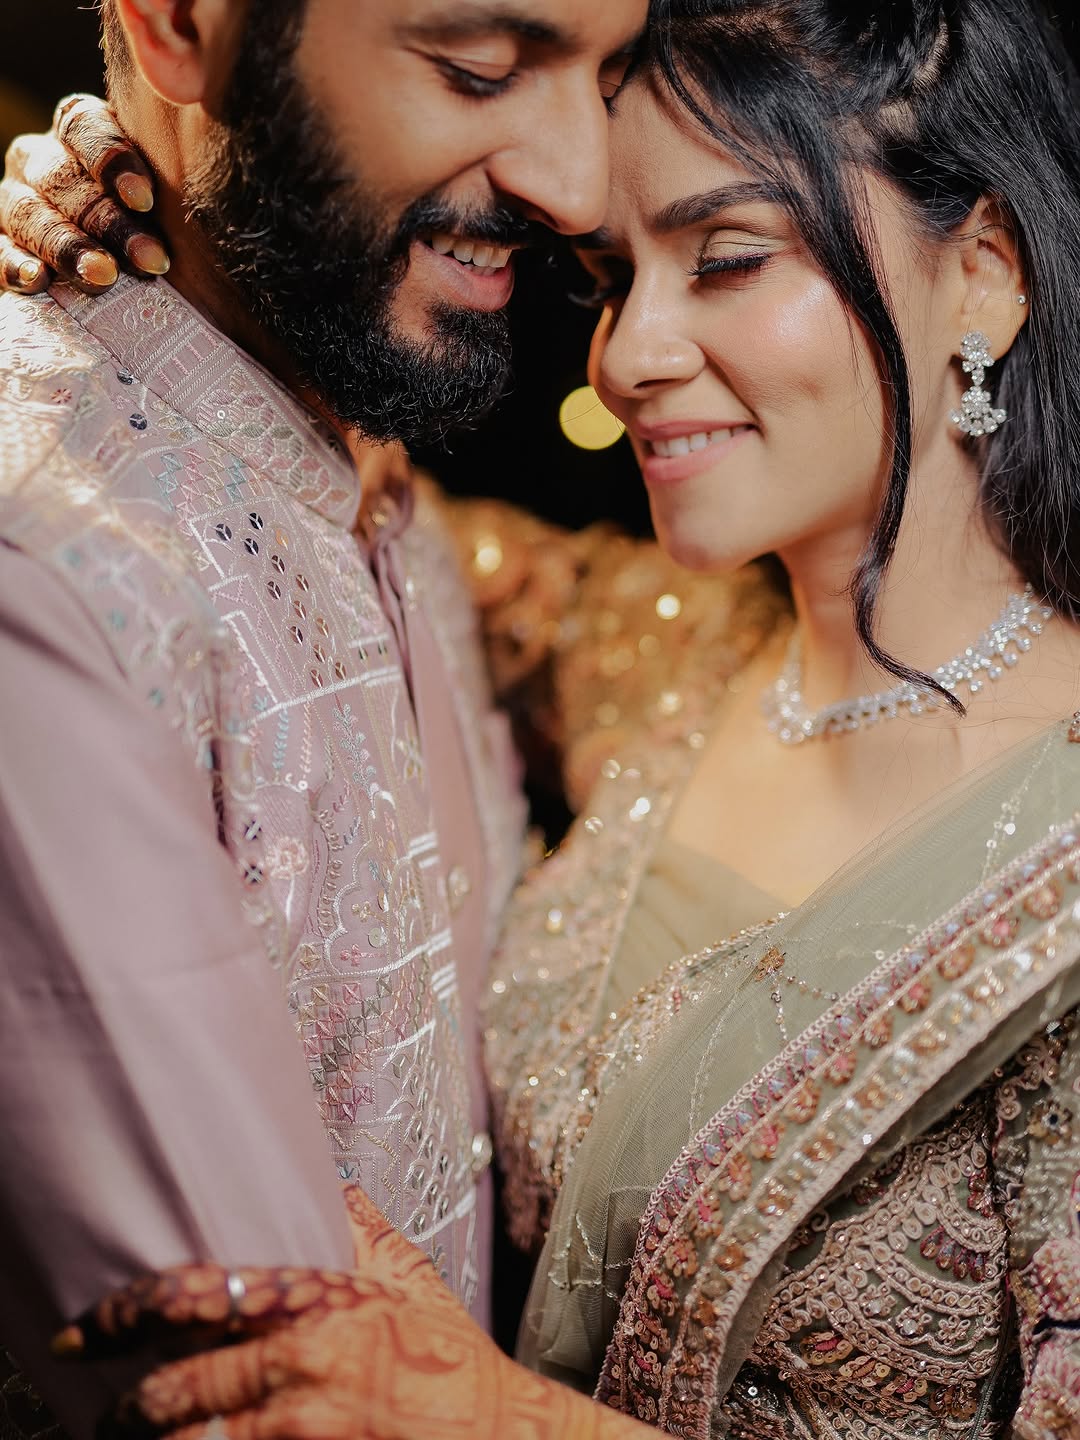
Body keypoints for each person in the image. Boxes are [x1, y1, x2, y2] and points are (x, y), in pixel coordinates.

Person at [13, 0, 1080, 1435]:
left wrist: (498, 1421)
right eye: (609, 279)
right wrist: (119, 252)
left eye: (727, 260)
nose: (628, 356)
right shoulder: (675, 660)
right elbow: (311, 506)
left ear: (989, 272)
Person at [0, 0, 675, 1434]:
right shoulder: (54, 573)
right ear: (180, 26)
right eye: (478, 68)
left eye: (609, 76)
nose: (576, 184)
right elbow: (244, 1382)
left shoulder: (368, 458)